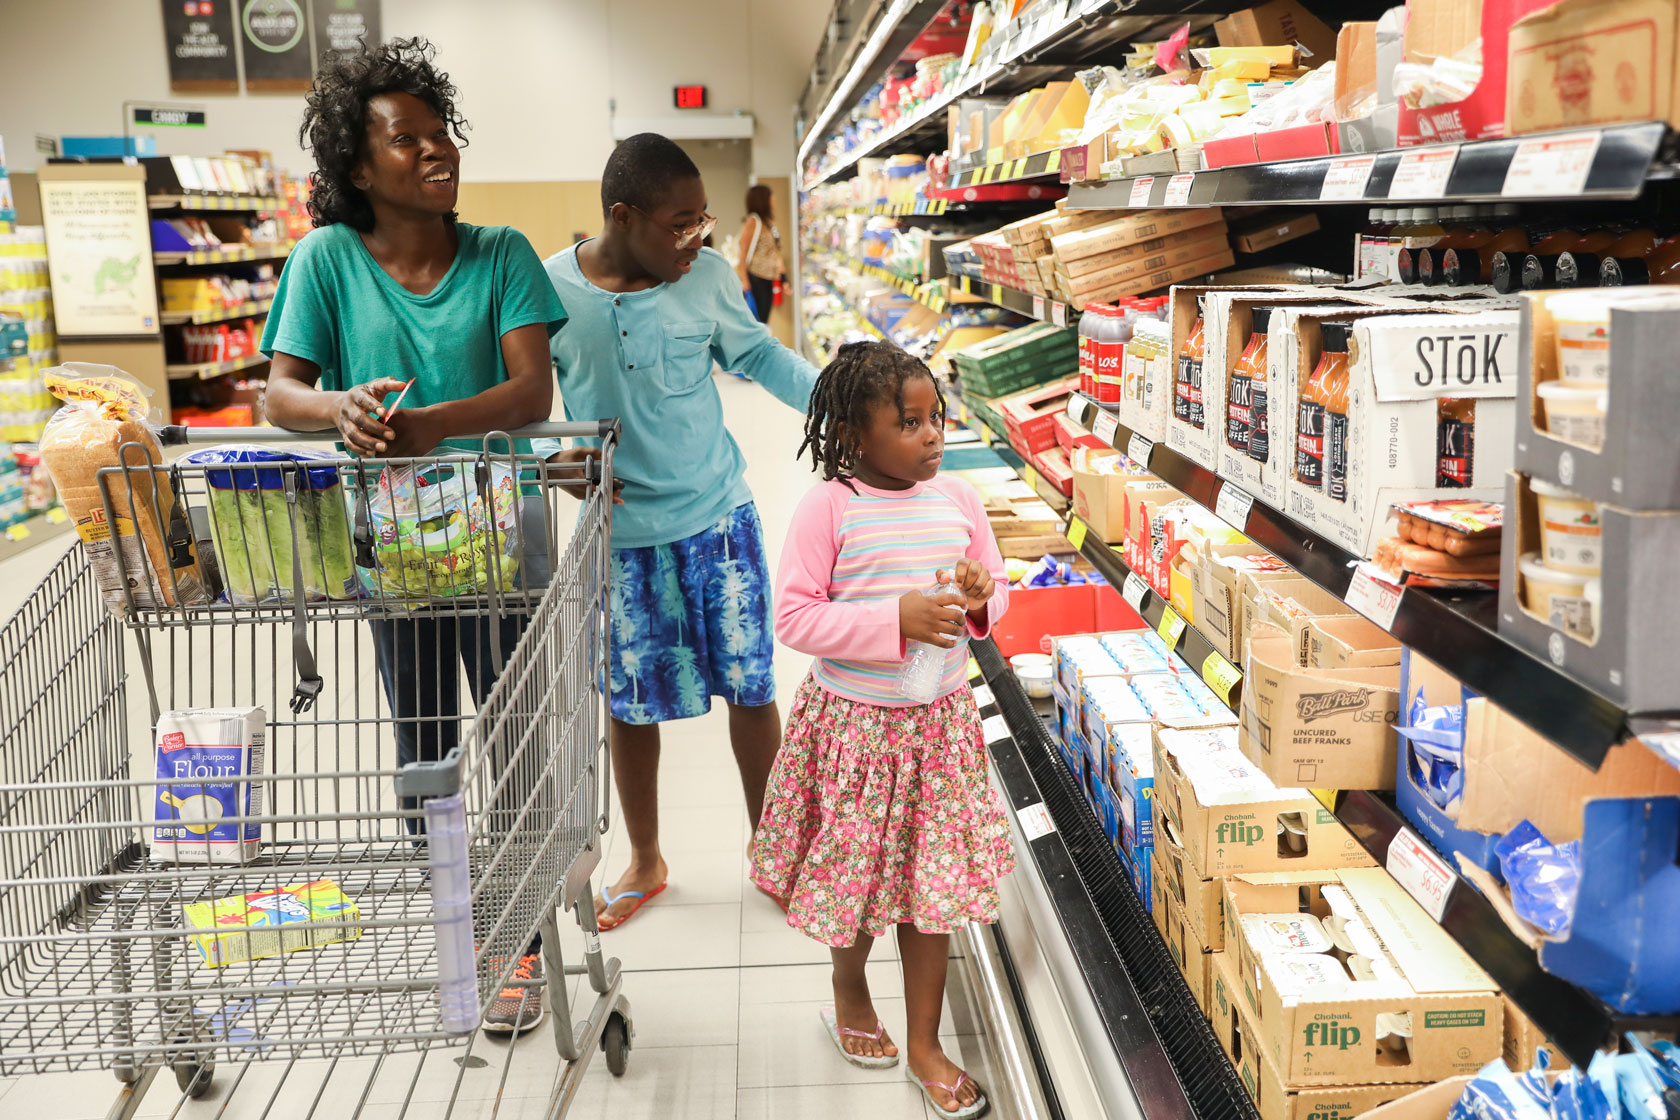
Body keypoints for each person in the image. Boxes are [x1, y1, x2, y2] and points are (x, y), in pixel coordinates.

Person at [259, 37, 571, 1036]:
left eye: (442, 134)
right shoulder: (326, 260)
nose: (437, 151)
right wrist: (338, 409)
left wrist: (433, 424)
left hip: (505, 540)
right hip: (397, 556)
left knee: (518, 737)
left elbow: (533, 390)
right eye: (408, 139)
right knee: (424, 744)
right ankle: (459, 917)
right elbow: (281, 390)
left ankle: (517, 932)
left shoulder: (502, 254)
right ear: (359, 165)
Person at [544, 134, 821, 931]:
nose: (696, 237)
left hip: (718, 521)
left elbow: (760, 356)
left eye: (703, 221)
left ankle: (771, 849)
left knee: (752, 684)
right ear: (622, 217)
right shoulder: (552, 289)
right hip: (623, 540)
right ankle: (647, 856)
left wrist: (843, 402)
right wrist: (553, 462)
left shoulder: (705, 277)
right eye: (679, 223)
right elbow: (525, 397)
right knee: (630, 706)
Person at [749, 342, 1014, 1118]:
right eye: (910, 422)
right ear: (856, 436)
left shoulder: (960, 500)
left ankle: (927, 1042)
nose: (932, 434)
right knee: (858, 880)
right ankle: (849, 985)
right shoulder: (832, 507)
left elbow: (992, 602)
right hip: (855, 734)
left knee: (925, 895)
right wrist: (890, 619)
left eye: (936, 417)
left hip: (938, 731)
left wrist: (978, 596)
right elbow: (795, 615)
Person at [736, 184, 785, 326]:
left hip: (768, 278)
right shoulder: (753, 221)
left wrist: (782, 276)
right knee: (758, 321)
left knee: (764, 320)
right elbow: (743, 251)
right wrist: (744, 280)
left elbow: (774, 250)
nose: (774, 200)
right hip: (756, 278)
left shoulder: (767, 222)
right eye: (771, 196)